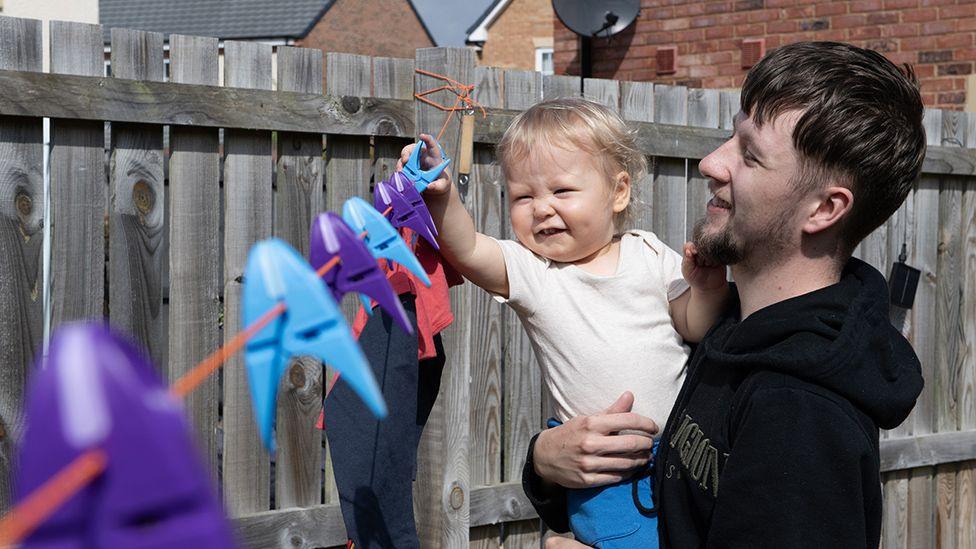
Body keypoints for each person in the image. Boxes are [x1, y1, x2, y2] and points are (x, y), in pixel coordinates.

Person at [524, 41, 926, 548]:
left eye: (750, 156)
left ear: (825, 209)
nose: (712, 162)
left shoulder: (803, 414)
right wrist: (545, 462)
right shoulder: (726, 324)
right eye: (730, 139)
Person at [400, 98, 729, 547]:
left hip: (680, 452)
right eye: (523, 196)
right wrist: (443, 196)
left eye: (561, 191)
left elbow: (692, 326)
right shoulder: (535, 272)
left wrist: (708, 289)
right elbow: (468, 249)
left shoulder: (649, 253)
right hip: (600, 467)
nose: (541, 208)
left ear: (618, 192)